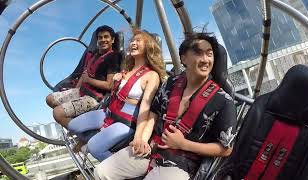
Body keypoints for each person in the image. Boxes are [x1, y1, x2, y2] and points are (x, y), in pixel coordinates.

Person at [94, 32, 237, 180]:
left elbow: (226, 149)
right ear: (184, 58)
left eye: (209, 54)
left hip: (182, 162)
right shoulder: (170, 84)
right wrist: (143, 139)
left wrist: (183, 144)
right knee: (101, 171)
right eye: (198, 53)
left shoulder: (223, 100)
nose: (205, 59)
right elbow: (153, 114)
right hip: (151, 149)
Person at [67, 29, 167, 161]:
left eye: (138, 40)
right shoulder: (125, 71)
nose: (133, 43)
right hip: (110, 112)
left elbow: (145, 108)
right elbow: (114, 93)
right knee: (73, 125)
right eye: (132, 41)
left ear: (149, 46)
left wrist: (139, 136)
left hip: (126, 121)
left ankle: (120, 169)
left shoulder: (151, 75)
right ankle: (98, 138)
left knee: (94, 147)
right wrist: (117, 82)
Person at [45, 25, 121, 128]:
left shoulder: (113, 57)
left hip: (93, 98)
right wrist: (75, 91)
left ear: (112, 40)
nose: (103, 40)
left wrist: (88, 80)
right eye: (100, 37)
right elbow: (85, 73)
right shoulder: (95, 54)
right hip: (81, 91)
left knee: (57, 113)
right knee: (50, 98)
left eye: (106, 37)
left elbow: (109, 85)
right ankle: (76, 120)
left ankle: (82, 134)